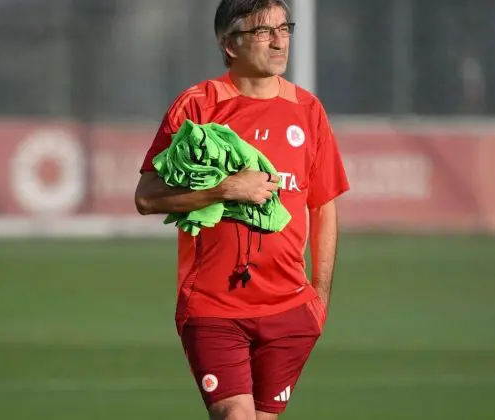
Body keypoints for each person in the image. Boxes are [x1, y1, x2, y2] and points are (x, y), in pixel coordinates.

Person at [135, 1, 349, 419]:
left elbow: (323, 207)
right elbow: (147, 196)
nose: (279, 40)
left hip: (290, 311)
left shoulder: (309, 112)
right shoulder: (198, 107)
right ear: (229, 43)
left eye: (284, 28)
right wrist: (225, 188)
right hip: (214, 308)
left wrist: (319, 297)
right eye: (263, 31)